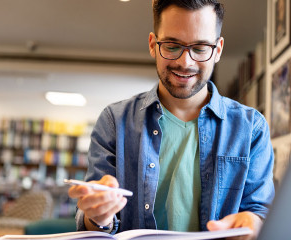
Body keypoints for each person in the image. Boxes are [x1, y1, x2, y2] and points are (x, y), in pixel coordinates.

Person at [68, 0, 275, 239]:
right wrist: (98, 216)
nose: (185, 62)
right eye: (172, 45)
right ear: (152, 45)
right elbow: (90, 224)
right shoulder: (114, 121)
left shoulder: (252, 128)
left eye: (199, 48)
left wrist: (255, 223)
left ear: (218, 50)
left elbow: (261, 212)